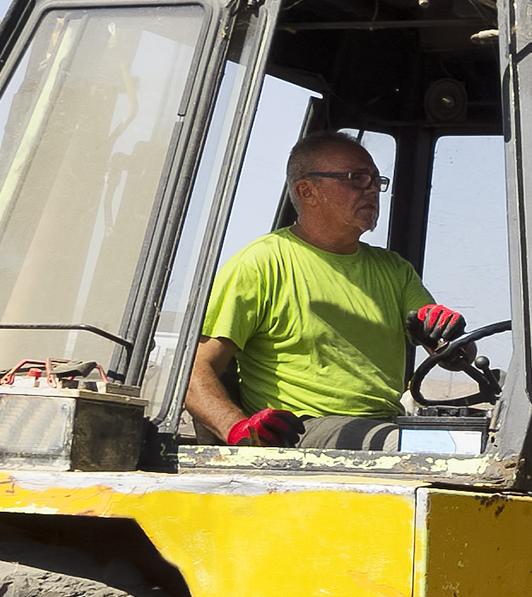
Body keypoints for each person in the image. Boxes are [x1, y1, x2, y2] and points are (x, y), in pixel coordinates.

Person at [184, 130, 467, 445]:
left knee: (468, 443)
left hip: (380, 427)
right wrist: (237, 429)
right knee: (432, 447)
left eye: (376, 180)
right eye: (356, 178)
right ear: (307, 190)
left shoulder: (395, 270)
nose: (373, 189)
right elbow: (194, 372)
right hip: (303, 431)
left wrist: (451, 342)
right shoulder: (261, 264)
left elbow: (448, 348)